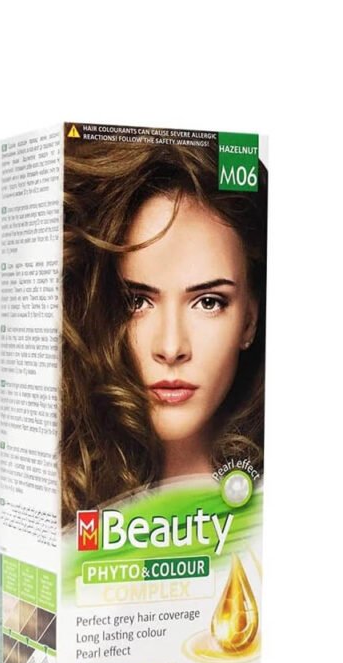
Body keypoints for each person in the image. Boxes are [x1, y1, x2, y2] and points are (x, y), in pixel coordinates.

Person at [61, 141, 267, 525]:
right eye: (136, 302)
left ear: (249, 321)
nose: (171, 348)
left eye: (208, 302)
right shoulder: (63, 501)